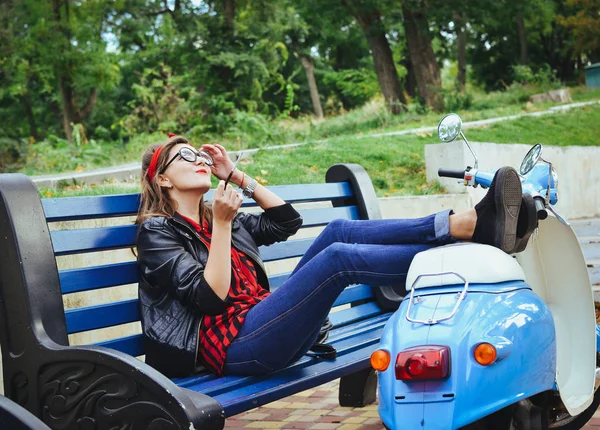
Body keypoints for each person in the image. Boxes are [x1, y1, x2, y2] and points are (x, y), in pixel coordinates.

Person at [136, 135, 534, 378]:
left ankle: (463, 227)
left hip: (267, 322)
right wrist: (222, 225)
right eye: (186, 157)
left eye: (201, 154)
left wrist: (238, 177)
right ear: (163, 178)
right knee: (338, 259)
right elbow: (209, 299)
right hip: (239, 347)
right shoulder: (159, 230)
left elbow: (287, 221)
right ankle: (469, 239)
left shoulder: (217, 216)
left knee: (337, 232)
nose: (201, 160)